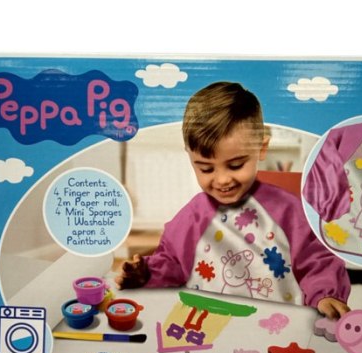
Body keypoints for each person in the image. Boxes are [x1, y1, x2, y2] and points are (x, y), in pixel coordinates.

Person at [115, 82, 350, 319]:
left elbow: (317, 261)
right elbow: (172, 263)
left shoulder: (288, 210)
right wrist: (145, 274)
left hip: (277, 325)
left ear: (262, 148)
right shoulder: (193, 216)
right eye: (206, 169)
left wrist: (326, 294)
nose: (222, 180)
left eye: (236, 165)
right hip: (208, 325)